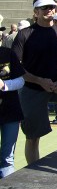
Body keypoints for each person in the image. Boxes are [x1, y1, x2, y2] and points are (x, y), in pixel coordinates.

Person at [12, 0, 57, 164]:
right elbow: (15, 67)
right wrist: (40, 81)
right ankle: (33, 170)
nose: (50, 10)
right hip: (32, 89)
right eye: (45, 8)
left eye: (52, 7)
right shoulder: (24, 35)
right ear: (36, 12)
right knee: (33, 137)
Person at [0, 44, 25, 178]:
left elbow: (21, 81)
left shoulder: (7, 53)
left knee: (7, 158)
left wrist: (4, 85)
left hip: (10, 111)